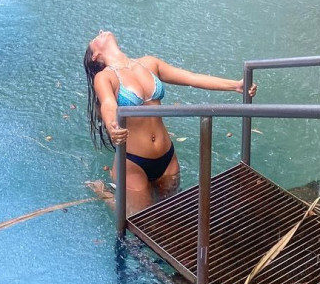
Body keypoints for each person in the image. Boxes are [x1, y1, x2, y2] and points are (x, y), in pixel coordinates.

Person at [83, 30, 257, 214]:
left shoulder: (150, 63)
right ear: (96, 56)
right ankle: (106, 193)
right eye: (95, 37)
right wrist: (112, 126)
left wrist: (235, 85)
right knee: (143, 223)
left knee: (174, 214)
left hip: (167, 157)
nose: (101, 32)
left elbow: (192, 78)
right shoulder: (105, 77)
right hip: (133, 163)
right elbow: (108, 104)